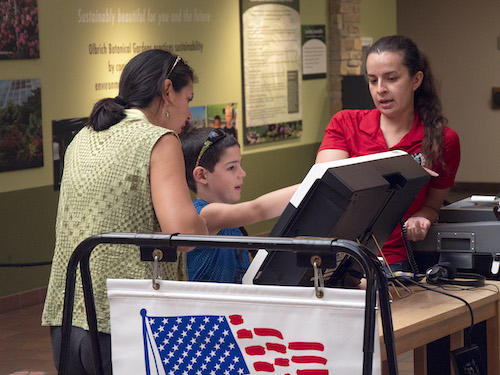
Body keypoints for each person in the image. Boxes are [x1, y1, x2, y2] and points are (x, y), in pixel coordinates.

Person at [41, 50, 208, 374]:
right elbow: (183, 234)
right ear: (167, 90)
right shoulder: (159, 138)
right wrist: (206, 221)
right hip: (124, 317)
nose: (188, 111)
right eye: (188, 98)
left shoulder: (83, 137)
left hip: (66, 313)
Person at [316, 35, 460, 274]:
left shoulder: (443, 140)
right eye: (373, 80)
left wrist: (422, 218)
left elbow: (433, 206)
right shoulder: (345, 123)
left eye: (391, 79)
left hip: (392, 262)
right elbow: (325, 190)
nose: (381, 89)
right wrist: (398, 173)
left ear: (416, 80)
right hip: (335, 256)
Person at [180, 127, 298, 283]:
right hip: (212, 307)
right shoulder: (205, 215)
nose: (242, 173)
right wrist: (314, 181)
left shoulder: (233, 225)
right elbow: (258, 209)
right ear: (202, 175)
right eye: (231, 167)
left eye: (240, 165)